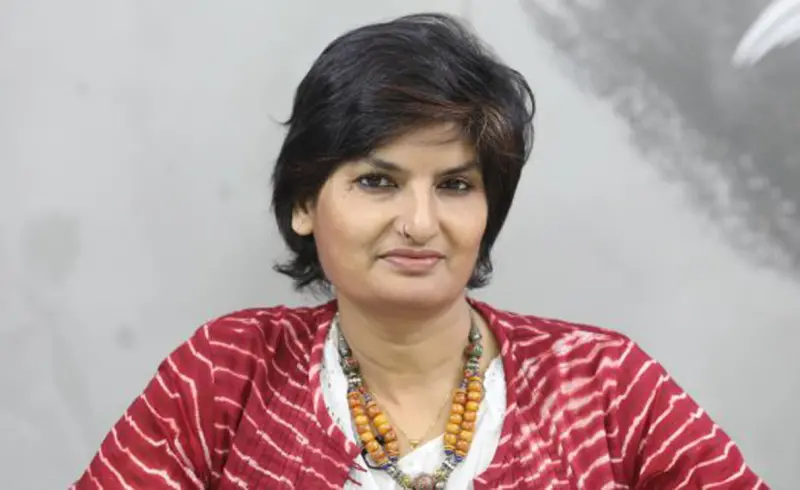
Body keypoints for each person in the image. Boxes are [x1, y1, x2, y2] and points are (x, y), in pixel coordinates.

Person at [70, 12, 767, 490]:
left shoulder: (604, 383)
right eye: (378, 182)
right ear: (305, 202)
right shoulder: (227, 373)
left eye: (456, 185)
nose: (420, 222)